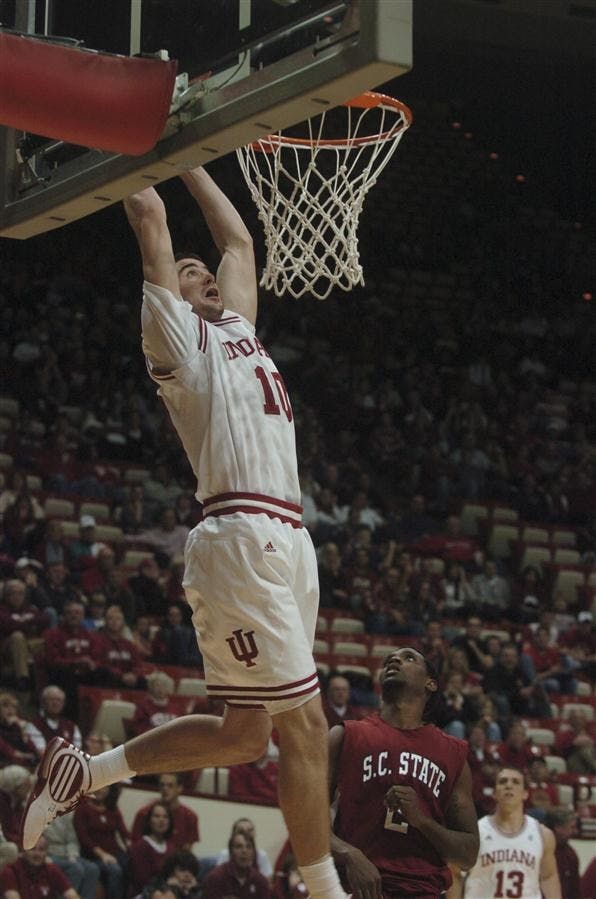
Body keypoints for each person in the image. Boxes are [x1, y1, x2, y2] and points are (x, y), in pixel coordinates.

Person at [21, 166, 345, 899]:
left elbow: (238, 239)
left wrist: (200, 161)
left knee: (244, 734)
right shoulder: (179, 342)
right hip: (239, 531)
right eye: (188, 271)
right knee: (305, 725)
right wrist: (147, 150)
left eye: (204, 272)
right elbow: (148, 217)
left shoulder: (240, 331)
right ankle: (327, 891)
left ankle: (89, 770)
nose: (201, 272)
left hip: (287, 536)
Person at [328, 647, 479, 899]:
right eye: (389, 659)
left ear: (430, 683)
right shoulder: (346, 735)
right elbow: (308, 820)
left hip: (424, 890)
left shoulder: (453, 754)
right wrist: (348, 853)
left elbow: (468, 854)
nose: (395, 660)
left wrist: (422, 820)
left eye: (409, 658)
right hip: (359, 890)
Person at [451, 766, 561, 898]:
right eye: (503, 782)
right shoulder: (476, 832)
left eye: (515, 782)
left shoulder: (543, 834)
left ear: (525, 793)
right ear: (494, 793)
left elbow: (548, 877)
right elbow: (454, 872)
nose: (509, 785)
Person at [131, 773, 199, 851]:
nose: (165, 789)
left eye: (170, 786)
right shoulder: (144, 813)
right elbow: (135, 846)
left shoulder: (190, 816)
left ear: (180, 788)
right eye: (162, 785)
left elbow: (187, 852)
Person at [0, 835, 80, 899]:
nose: (37, 854)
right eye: (32, 849)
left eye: (41, 850)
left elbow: (71, 894)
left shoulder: (52, 870)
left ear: (46, 852)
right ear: (22, 850)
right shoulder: (10, 872)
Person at [44, 811, 100, 899]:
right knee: (76, 869)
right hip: (49, 853)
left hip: (67, 852)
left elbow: (72, 839)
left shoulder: (65, 812)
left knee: (92, 869)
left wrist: (72, 855)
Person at [202, 830, 271, 899]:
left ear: (253, 853)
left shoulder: (260, 881)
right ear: (231, 852)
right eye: (239, 847)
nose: (244, 851)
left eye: (248, 847)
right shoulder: (215, 878)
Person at [544, 808, 580, 899]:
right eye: (572, 827)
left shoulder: (570, 855)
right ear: (558, 827)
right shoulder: (537, 851)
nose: (575, 831)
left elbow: (575, 891)